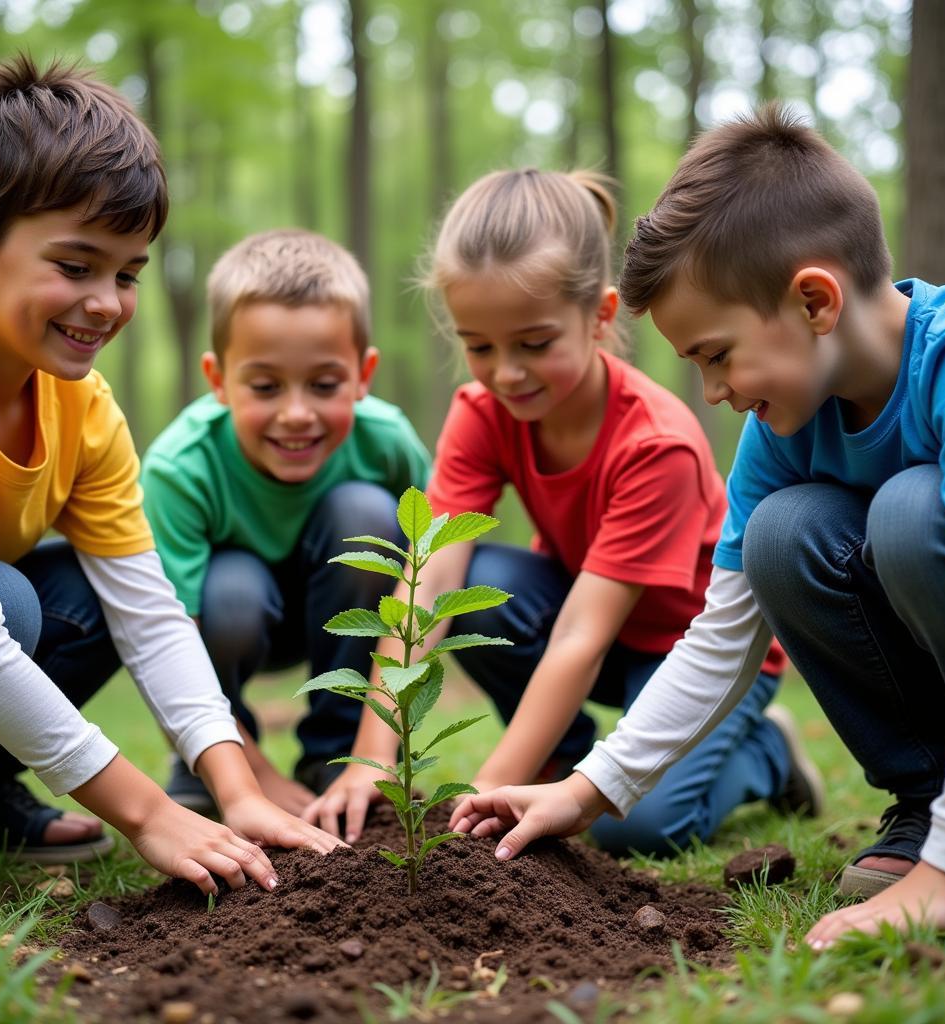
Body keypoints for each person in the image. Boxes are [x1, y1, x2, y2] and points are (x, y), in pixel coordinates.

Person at [450, 105, 945, 950]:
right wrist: (583, 791)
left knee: (909, 514)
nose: (713, 391)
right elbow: (722, 634)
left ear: (814, 301)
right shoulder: (779, 433)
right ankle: (923, 803)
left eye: (716, 355)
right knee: (781, 534)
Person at [306, 167, 821, 853]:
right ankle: (559, 757)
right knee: (480, 582)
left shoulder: (654, 443)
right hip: (588, 627)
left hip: (689, 656)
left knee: (635, 827)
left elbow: (581, 633)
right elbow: (425, 580)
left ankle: (766, 756)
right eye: (479, 346)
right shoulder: (483, 414)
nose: (507, 372)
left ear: (601, 316)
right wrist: (373, 762)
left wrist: (482, 802)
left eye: (535, 343)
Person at [0, 56, 340, 918]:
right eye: (75, 265)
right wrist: (148, 815)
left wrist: (234, 790)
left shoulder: (81, 404)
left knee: (85, 598)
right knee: (5, 607)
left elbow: (150, 616)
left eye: (125, 273)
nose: (106, 303)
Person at [140, 228, 430, 817]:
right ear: (218, 378)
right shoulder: (181, 467)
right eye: (266, 386)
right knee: (233, 589)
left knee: (367, 514)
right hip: (231, 624)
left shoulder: (388, 443)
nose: (296, 414)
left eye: (324, 385)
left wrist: (384, 740)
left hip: (348, 611)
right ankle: (216, 754)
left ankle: (338, 755)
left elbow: (426, 580)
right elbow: (167, 642)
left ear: (363, 374)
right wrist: (255, 776)